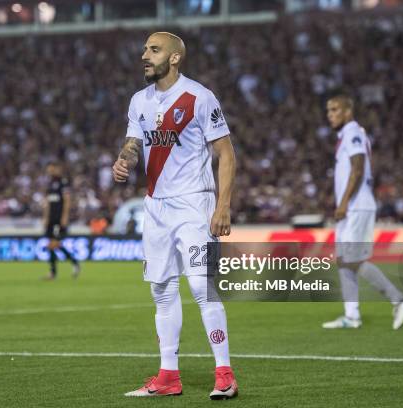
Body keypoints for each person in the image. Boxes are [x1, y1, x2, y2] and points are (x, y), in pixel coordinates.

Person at [113, 32, 238, 399]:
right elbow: (134, 143)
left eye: (154, 50)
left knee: (200, 285)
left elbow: (226, 154)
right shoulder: (139, 101)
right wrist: (125, 160)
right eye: (144, 50)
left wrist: (223, 205)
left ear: (175, 58)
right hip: (156, 206)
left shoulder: (199, 97)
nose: (144, 56)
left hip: (194, 205)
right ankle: (168, 377)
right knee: (162, 290)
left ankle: (225, 374)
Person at [322, 95, 403, 330]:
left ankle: (398, 299)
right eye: (328, 110)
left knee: (351, 259)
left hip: (356, 205)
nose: (330, 114)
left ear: (348, 110)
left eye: (334, 109)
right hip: (351, 206)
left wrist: (342, 203)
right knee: (343, 261)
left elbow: (358, 169)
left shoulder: (353, 133)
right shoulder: (346, 135)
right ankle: (352, 316)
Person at [42, 163, 80, 280]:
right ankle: (73, 263)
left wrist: (64, 217)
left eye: (52, 169)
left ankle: (54, 272)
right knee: (53, 244)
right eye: (49, 170)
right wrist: (46, 217)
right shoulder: (49, 184)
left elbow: (67, 200)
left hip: (59, 218)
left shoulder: (63, 183)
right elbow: (47, 203)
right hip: (51, 219)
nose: (50, 171)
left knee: (53, 244)